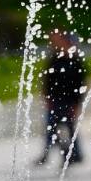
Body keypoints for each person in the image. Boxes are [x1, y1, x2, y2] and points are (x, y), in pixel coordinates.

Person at [37, 30, 86, 166]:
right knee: (52, 129)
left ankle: (74, 154)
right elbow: (47, 79)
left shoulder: (75, 61)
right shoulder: (55, 58)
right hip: (55, 101)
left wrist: (77, 103)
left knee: (69, 129)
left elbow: (80, 84)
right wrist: (46, 97)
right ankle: (58, 154)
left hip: (69, 101)